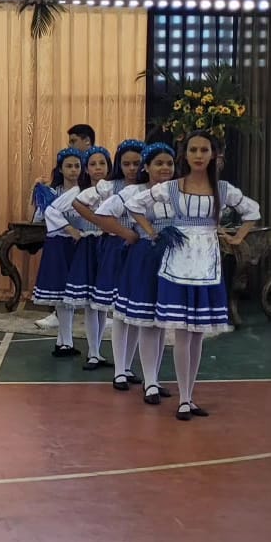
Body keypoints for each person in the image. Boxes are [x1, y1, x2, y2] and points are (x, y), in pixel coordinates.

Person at [125, 130, 259, 419]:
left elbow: (252, 211)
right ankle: (183, 400)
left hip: (207, 263)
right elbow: (135, 205)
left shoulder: (222, 189)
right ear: (185, 154)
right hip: (178, 262)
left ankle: (188, 396)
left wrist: (237, 238)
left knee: (197, 333)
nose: (199, 155)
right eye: (193, 150)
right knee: (183, 332)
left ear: (214, 154)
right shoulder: (172, 187)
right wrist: (152, 232)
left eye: (204, 150)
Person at [95, 142, 177, 401]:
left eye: (169, 163)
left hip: (170, 258)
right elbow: (102, 214)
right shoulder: (135, 191)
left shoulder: (178, 190)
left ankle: (152, 379)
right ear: (147, 167)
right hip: (142, 257)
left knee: (159, 320)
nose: (165, 168)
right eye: (159, 163)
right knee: (134, 315)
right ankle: (128, 373)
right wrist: (127, 233)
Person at [73, 138, 147, 389]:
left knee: (133, 311)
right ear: (119, 164)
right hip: (115, 248)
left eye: (137, 163)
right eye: (126, 163)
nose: (132, 168)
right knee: (117, 311)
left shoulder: (149, 187)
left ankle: (128, 366)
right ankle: (118, 370)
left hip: (140, 249)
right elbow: (78, 202)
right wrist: (108, 225)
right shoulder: (110, 186)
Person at [50, 145, 112, 369]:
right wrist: (71, 230)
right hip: (89, 247)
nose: (98, 168)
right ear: (86, 169)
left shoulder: (114, 189)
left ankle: (98, 352)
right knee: (90, 304)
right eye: (93, 164)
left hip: (108, 247)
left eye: (102, 163)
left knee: (102, 304)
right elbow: (51, 210)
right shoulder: (78, 192)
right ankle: (93, 353)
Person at [31, 147, 83, 355]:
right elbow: (37, 217)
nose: (73, 170)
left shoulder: (85, 191)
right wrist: (35, 192)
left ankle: (64, 341)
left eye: (77, 166)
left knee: (70, 295)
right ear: (60, 169)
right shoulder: (52, 193)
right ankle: (66, 341)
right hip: (58, 245)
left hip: (77, 245)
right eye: (69, 166)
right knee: (62, 294)